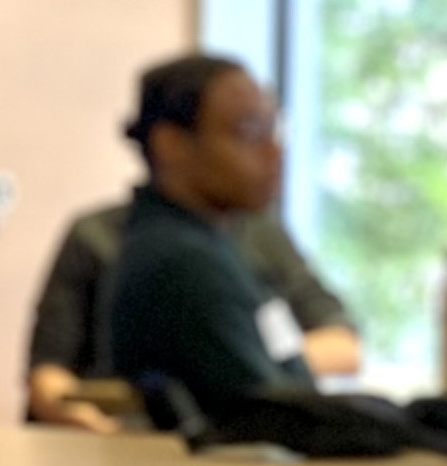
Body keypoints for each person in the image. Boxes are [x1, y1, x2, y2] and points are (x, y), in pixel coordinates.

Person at [27, 174, 359, 435]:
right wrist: (79, 415)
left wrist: (238, 355)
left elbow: (342, 345)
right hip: (121, 439)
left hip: (250, 440)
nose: (270, 152)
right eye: (243, 134)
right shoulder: (98, 236)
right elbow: (48, 371)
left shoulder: (262, 234)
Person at [105, 54, 334, 418]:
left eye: (272, 130)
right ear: (172, 145)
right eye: (248, 132)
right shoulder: (182, 261)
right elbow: (273, 417)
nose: (273, 152)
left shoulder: (214, 242)